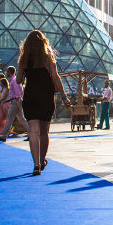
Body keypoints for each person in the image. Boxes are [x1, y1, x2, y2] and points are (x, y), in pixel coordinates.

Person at [19, 30, 70, 176]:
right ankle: (42, 160)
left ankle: (36, 165)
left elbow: (18, 80)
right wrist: (64, 96)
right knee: (44, 131)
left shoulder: (24, 58)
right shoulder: (48, 56)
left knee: (33, 130)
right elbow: (55, 77)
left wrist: (25, 73)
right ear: (43, 42)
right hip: (46, 96)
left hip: (30, 96)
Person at [0, 66, 30, 141]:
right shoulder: (14, 80)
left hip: (15, 101)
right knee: (21, 119)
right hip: (17, 101)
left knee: (9, 119)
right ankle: (31, 133)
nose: (6, 73)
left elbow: (18, 92)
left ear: (10, 72)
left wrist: (17, 102)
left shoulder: (14, 81)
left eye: (7, 71)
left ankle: (4, 136)